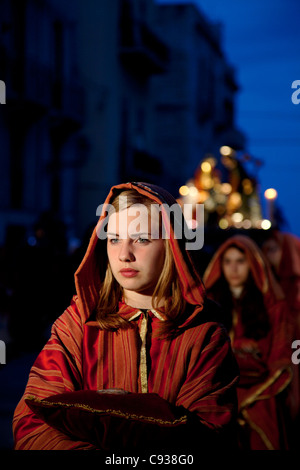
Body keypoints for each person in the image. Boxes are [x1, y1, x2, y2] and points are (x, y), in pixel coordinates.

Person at [13, 182, 239, 451]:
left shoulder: (203, 333)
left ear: (172, 246)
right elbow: (32, 421)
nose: (124, 255)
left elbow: (210, 434)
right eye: (115, 239)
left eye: (142, 239)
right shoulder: (78, 324)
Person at [203, 235, 293, 450]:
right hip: (216, 391)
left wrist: (247, 398)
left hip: (260, 393)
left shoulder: (272, 306)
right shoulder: (209, 304)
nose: (234, 269)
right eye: (228, 262)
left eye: (240, 261)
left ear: (252, 263)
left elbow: (280, 361)